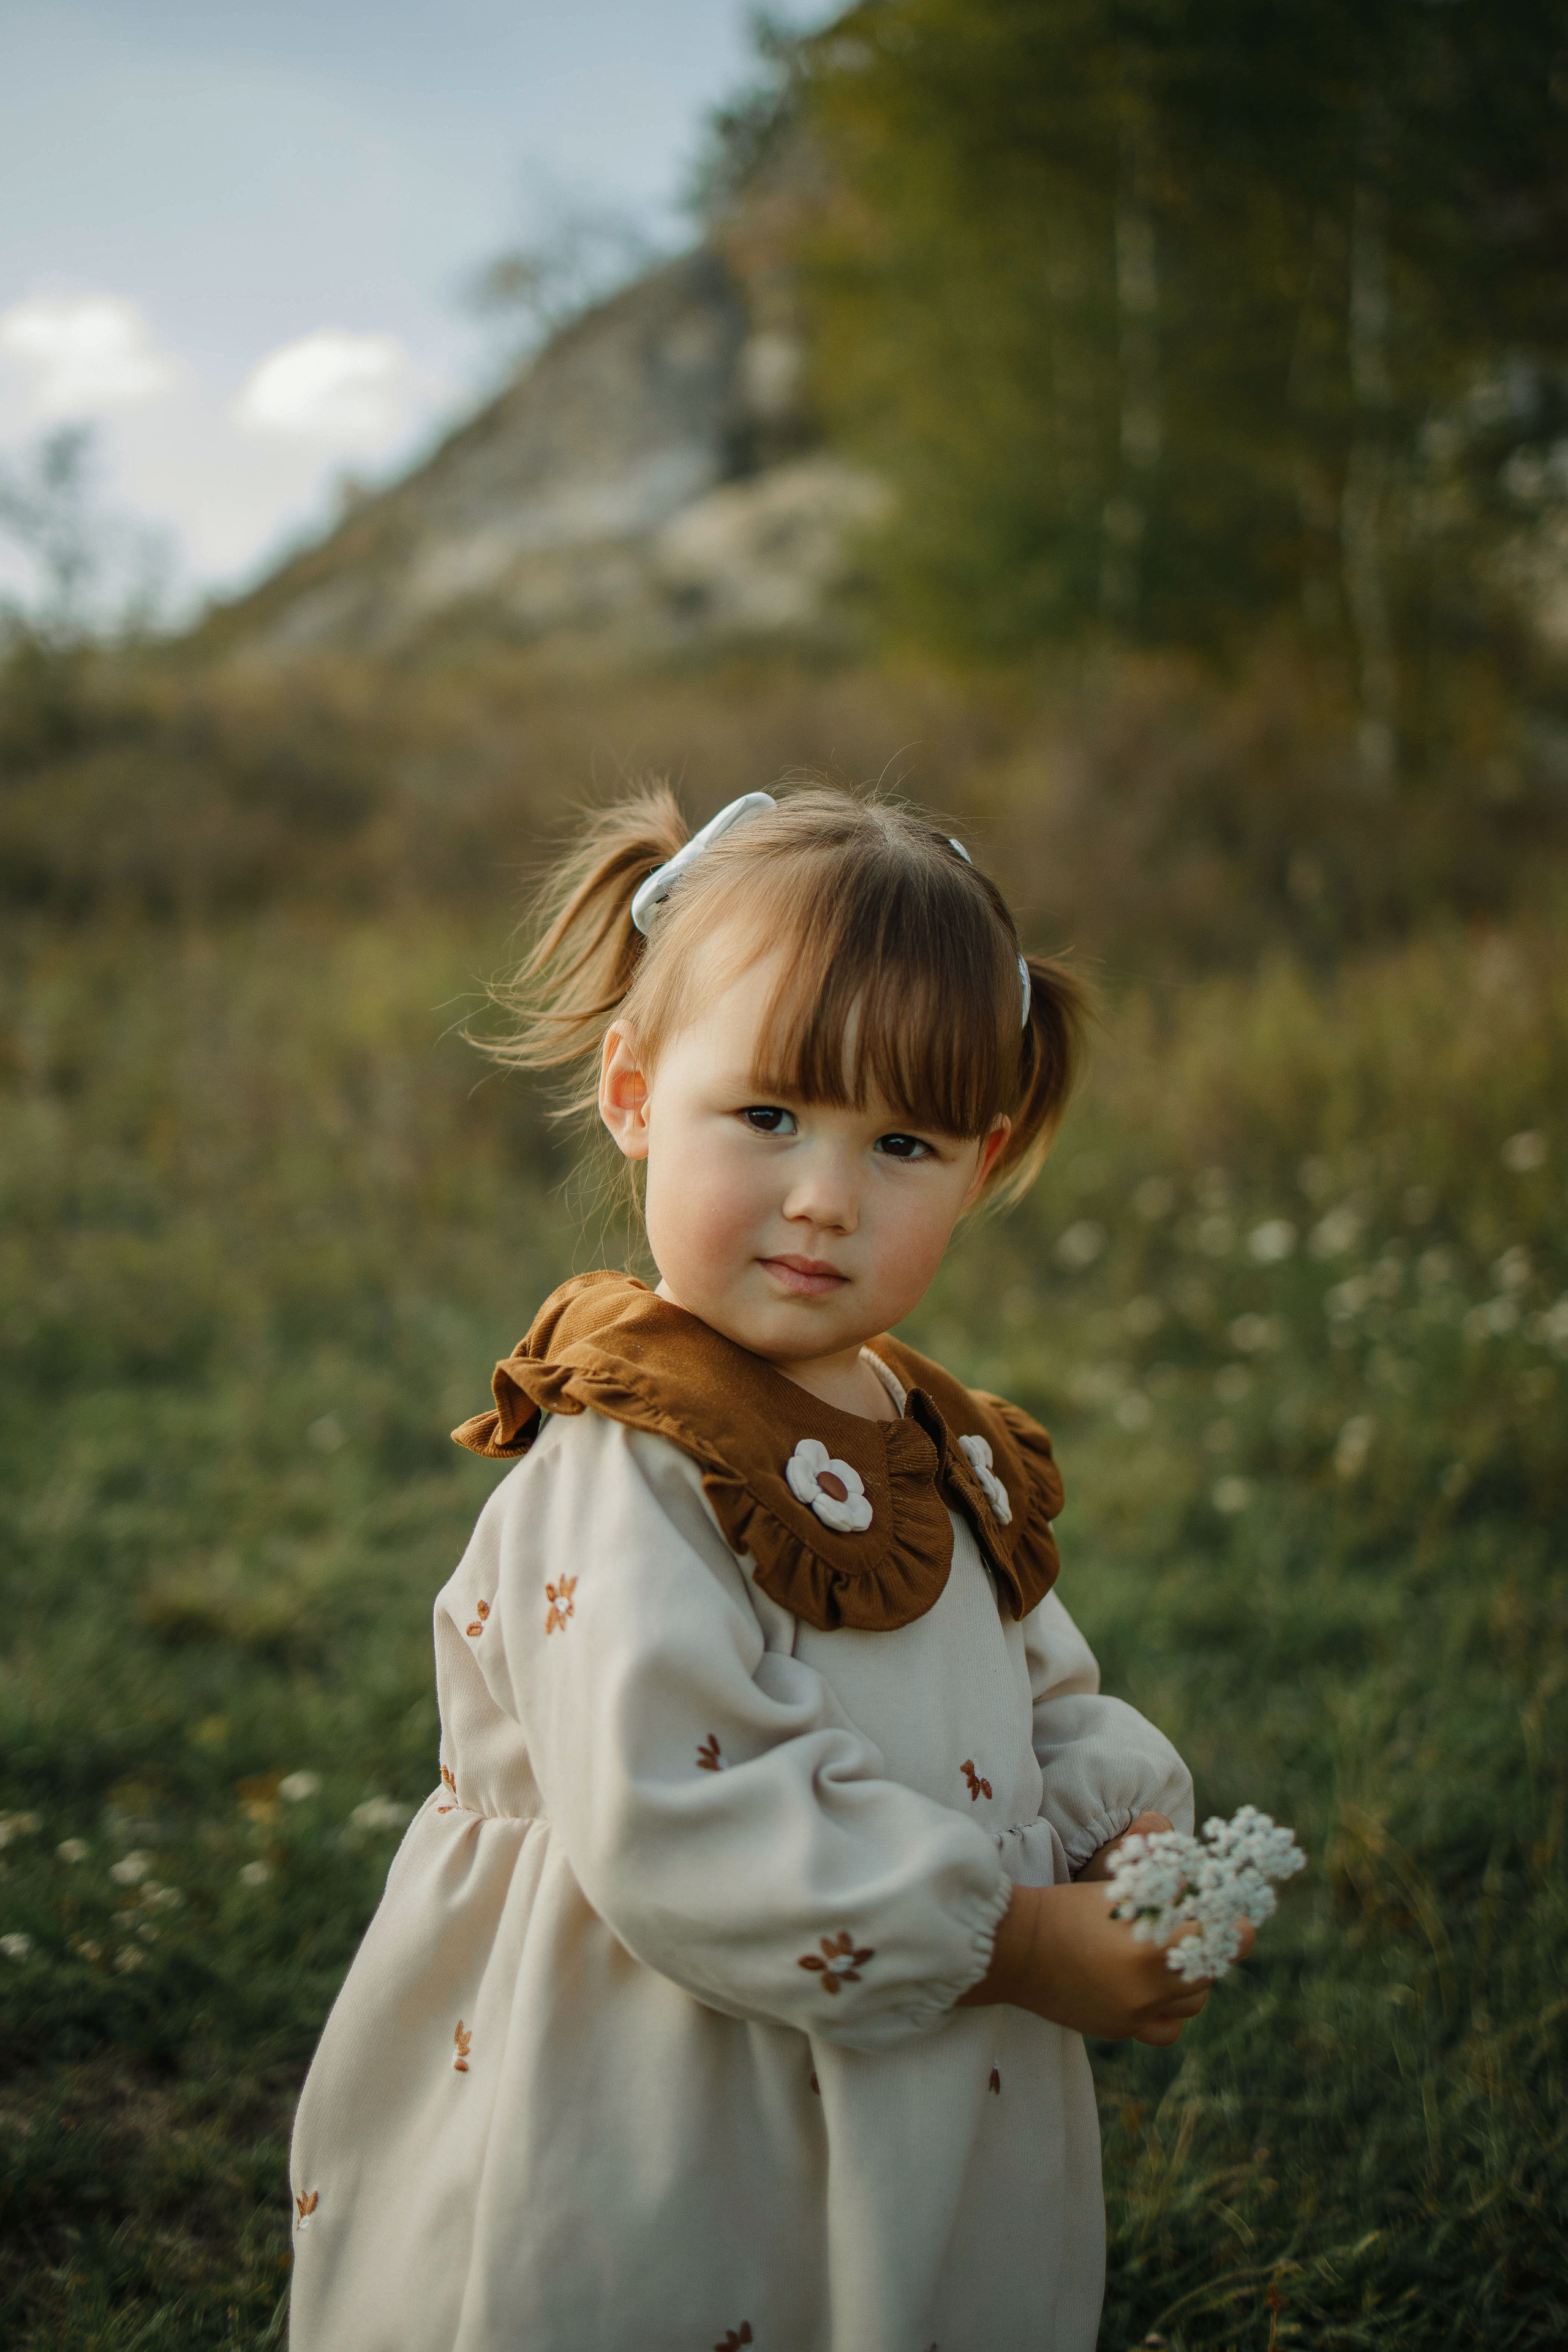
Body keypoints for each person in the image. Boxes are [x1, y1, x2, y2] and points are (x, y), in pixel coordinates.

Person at [288, 785, 1236, 2352]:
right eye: (771, 1116)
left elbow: (1037, 1689)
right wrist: (1005, 1943)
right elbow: (672, 1812)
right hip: (664, 2060)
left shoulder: (930, 1433)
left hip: (908, 2040)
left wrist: (1126, 1841)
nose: (823, 1197)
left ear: (982, 1162)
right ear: (635, 1092)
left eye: (904, 1144)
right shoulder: (631, 1455)